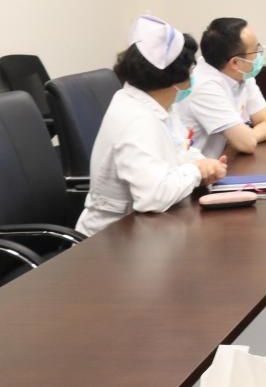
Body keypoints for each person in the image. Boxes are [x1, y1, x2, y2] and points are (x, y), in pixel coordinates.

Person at [77, 16, 228, 237]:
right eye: (190, 71)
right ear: (175, 79)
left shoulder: (157, 103)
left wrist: (203, 164)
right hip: (112, 239)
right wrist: (196, 171)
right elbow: (152, 197)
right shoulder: (135, 119)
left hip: (148, 230)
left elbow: (178, 149)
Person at [176, 18, 266, 158]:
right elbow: (246, 144)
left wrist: (244, 138)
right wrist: (243, 139)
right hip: (198, 168)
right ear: (235, 62)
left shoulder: (242, 73)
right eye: (255, 50)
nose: (259, 55)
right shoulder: (204, 86)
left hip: (224, 162)